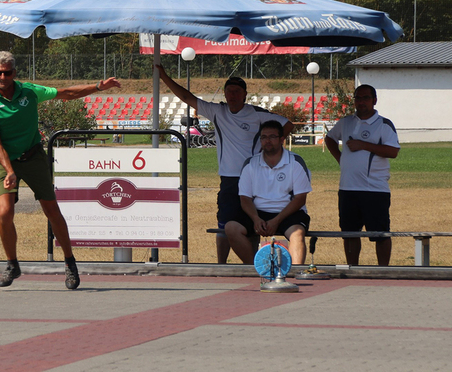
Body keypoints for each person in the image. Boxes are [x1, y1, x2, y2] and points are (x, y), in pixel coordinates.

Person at [0, 51, 121, 290]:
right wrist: (9, 170)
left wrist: (98, 86)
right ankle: (12, 264)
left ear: (14, 73)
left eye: (7, 73)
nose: (2, 77)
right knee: (4, 213)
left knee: (52, 210)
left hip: (33, 157)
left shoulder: (29, 91)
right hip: (6, 161)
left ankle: (69, 262)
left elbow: (66, 93)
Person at [155, 66, 293, 263]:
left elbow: (287, 124)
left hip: (255, 177)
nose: (232, 95)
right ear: (225, 94)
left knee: (252, 222)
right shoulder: (217, 111)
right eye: (229, 91)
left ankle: (255, 264)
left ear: (245, 95)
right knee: (224, 224)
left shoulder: (256, 114)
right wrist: (164, 76)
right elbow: (187, 97)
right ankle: (222, 266)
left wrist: (269, 148)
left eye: (237, 91)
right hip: (229, 179)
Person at [324, 85, 400, 266]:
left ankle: (383, 271)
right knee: (349, 233)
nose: (361, 102)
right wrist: (340, 158)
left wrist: (363, 145)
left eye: (365, 98)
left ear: (374, 100)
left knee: (380, 234)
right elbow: (330, 138)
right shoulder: (346, 122)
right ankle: (353, 269)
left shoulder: (384, 124)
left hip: (375, 189)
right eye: (358, 98)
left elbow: (393, 151)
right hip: (347, 188)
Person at [225, 120, 311, 266]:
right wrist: (255, 219)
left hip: (288, 212)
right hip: (258, 212)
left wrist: (276, 220)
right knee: (231, 228)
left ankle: (294, 272)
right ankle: (256, 268)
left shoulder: (295, 162)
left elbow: (300, 199)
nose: (267, 141)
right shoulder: (251, 163)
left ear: (282, 139)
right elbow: (245, 198)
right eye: (264, 137)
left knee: (297, 233)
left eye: (272, 137)